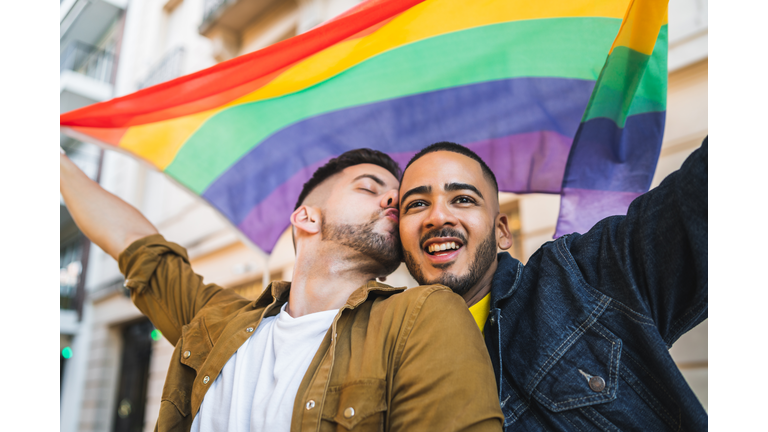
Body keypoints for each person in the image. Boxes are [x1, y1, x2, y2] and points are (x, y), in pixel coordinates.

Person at [60, 147, 503, 431]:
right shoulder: (218, 322)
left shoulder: (421, 317)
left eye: (402, 200)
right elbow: (135, 244)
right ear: (307, 218)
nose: (394, 201)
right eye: (371, 188)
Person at [397, 139, 708, 431]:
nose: (437, 216)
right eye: (416, 205)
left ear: (502, 232)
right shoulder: (394, 370)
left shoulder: (583, 280)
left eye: (463, 199)